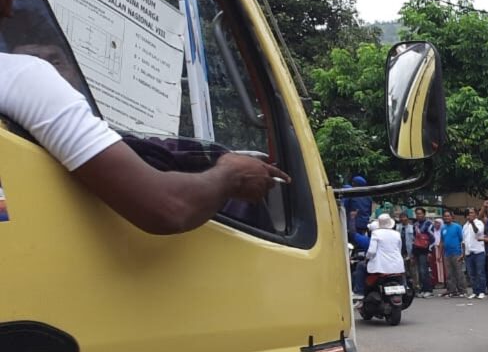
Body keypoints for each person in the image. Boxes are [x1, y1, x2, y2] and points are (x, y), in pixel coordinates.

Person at [0, 52, 287, 235]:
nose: (55, 74)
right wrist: (230, 175)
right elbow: (167, 208)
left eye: (57, 62)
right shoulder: (22, 78)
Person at [365, 213, 407, 288]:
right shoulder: (397, 234)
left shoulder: (376, 233)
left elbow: (372, 251)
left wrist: (367, 257)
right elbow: (399, 249)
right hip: (397, 265)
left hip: (381, 266)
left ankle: (359, 291)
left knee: (362, 267)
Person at [438, 210, 466, 297]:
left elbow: (463, 240)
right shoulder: (443, 228)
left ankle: (462, 291)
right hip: (447, 254)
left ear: (452, 217)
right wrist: (439, 255)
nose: (446, 218)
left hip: (457, 252)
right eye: (445, 216)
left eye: (448, 216)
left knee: (459, 272)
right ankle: (452, 290)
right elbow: (442, 242)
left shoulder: (457, 227)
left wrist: (463, 253)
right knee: (450, 274)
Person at [461, 207, 487, 299]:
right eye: (468, 213)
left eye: (472, 213)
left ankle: (482, 291)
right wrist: (463, 254)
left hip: (478, 252)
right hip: (469, 253)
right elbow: (464, 241)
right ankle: (475, 291)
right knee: (471, 274)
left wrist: (472, 223)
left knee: (480, 272)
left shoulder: (479, 223)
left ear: (475, 214)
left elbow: (477, 232)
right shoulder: (464, 226)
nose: (470, 214)